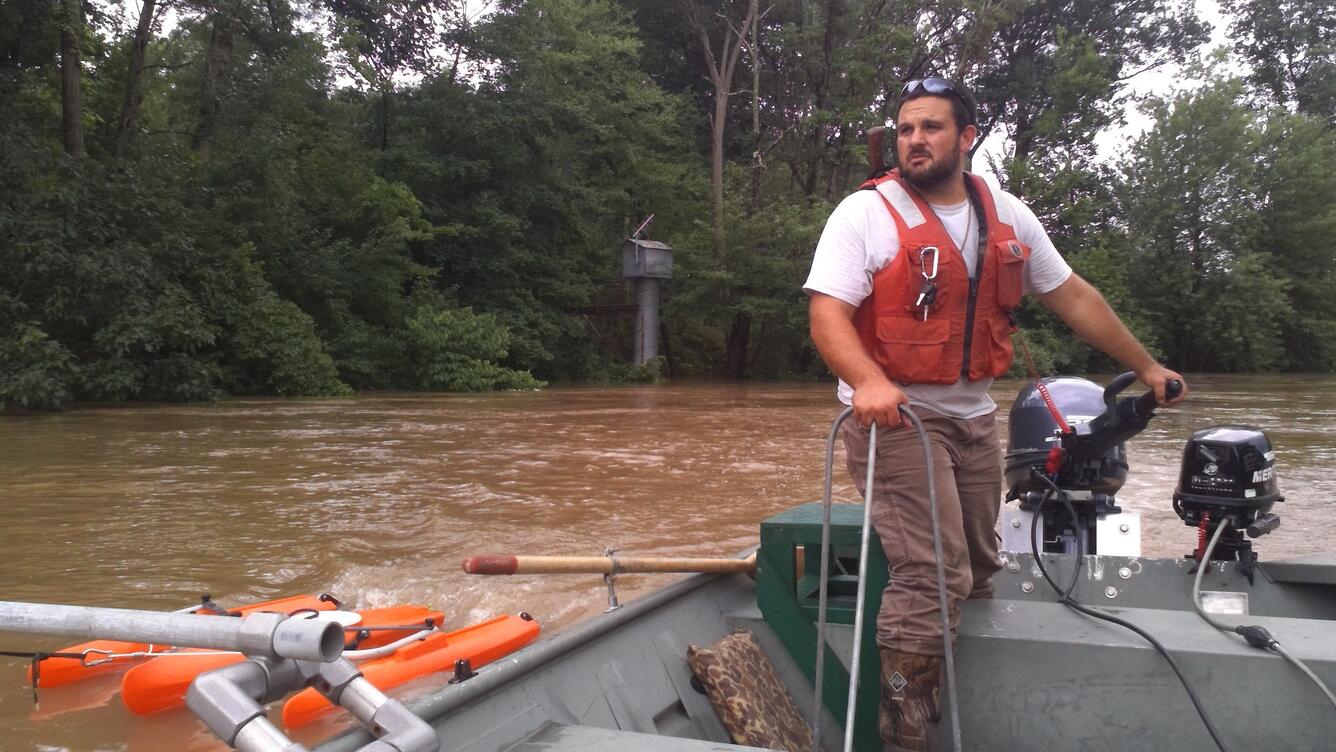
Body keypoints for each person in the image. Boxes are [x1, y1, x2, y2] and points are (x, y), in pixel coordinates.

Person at [803, 76, 1187, 752]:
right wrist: (866, 381)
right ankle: (905, 733)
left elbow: (1072, 296)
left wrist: (1149, 366)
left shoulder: (1005, 213)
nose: (915, 140)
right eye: (905, 129)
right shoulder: (863, 214)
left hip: (975, 422)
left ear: (967, 136)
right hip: (897, 423)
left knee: (980, 568)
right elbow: (826, 314)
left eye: (931, 127)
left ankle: (975, 705)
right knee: (933, 574)